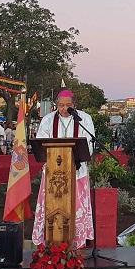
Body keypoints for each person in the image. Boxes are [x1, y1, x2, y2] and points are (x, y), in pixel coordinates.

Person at [32, 90, 95, 249]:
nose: (64, 109)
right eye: (61, 105)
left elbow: (89, 145)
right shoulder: (47, 120)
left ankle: (76, 242)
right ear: (56, 104)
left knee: (76, 207)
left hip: (77, 173)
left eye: (68, 105)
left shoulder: (84, 119)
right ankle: (50, 240)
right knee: (52, 208)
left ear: (74, 105)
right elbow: (41, 143)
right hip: (53, 174)